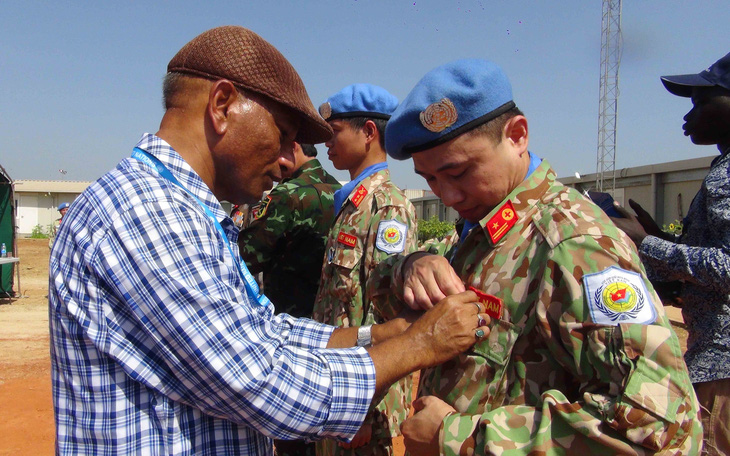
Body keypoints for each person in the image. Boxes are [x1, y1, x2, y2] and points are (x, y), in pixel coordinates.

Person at [48, 26, 495, 456]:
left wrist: (381, 334)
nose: (287, 161)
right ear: (221, 104)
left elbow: (265, 332)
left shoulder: (183, 211)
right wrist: (418, 345)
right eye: (282, 136)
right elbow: (259, 381)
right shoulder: (146, 212)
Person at [366, 59, 703, 455]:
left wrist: (457, 437)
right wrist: (412, 265)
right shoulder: (486, 227)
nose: (448, 196)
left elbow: (661, 428)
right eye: (431, 180)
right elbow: (388, 292)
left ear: (517, 135)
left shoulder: (575, 244)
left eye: (458, 173)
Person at [611, 52, 730, 456]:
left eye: (700, 101)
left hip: (722, 368)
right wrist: (660, 239)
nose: (689, 114)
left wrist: (645, 244)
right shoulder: (722, 168)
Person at [312, 84, 418, 456]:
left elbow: (388, 314)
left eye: (335, 132)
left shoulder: (387, 206)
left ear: (369, 131)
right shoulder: (352, 204)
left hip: (363, 408)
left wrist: (363, 406)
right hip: (337, 391)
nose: (327, 144)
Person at [239, 142, 341, 319]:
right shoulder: (340, 189)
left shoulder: (286, 193)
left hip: (287, 313)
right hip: (329, 311)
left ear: (293, 147)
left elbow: (249, 256)